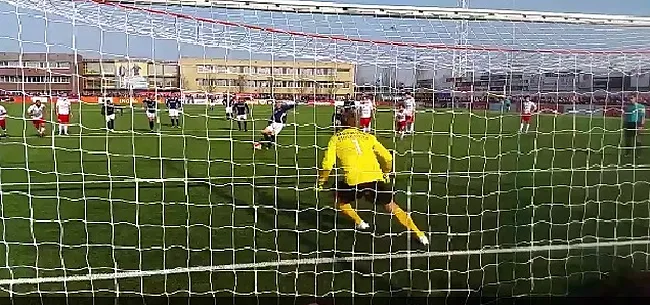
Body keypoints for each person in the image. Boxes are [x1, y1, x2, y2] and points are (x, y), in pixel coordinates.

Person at [317, 108, 429, 245]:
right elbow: (387, 157)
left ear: (340, 124)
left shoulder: (335, 139)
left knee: (338, 198)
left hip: (353, 180)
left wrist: (321, 181)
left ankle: (359, 222)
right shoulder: (368, 136)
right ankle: (420, 234)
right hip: (375, 177)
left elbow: (327, 165)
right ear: (356, 123)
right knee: (392, 207)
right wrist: (386, 172)